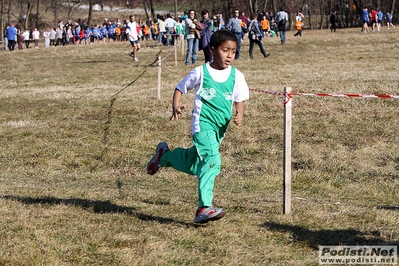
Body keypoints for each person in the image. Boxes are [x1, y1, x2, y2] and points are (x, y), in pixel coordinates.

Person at [146, 30, 249, 224]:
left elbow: (239, 97)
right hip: (202, 125)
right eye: (225, 50)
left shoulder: (236, 75)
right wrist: (175, 105)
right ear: (212, 50)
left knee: (194, 163)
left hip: (220, 130)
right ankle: (204, 207)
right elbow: (180, 87)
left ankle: (164, 157)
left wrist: (239, 114)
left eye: (233, 51)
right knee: (211, 160)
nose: (229, 55)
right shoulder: (201, 72)